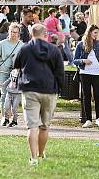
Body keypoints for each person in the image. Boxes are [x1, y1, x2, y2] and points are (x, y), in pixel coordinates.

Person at [12, 23, 65, 166]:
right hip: (49, 89)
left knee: (32, 126)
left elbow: (15, 64)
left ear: (31, 34)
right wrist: (60, 88)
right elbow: (60, 72)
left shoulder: (24, 48)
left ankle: (33, 158)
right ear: (45, 33)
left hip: (30, 89)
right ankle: (41, 154)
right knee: (44, 126)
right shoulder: (54, 50)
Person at [73, 24, 99, 128]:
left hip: (97, 73)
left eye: (97, 32)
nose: (97, 35)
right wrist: (83, 60)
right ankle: (88, 120)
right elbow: (74, 60)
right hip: (85, 73)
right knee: (86, 96)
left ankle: (98, 118)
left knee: (98, 96)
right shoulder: (80, 44)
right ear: (90, 32)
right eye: (95, 32)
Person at [0, 23, 23, 127]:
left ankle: (13, 117)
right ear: (8, 32)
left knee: (15, 96)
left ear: (18, 33)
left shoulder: (21, 45)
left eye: (15, 32)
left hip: (16, 75)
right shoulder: (2, 44)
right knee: (4, 95)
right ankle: (5, 117)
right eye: (11, 32)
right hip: (3, 72)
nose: (13, 34)